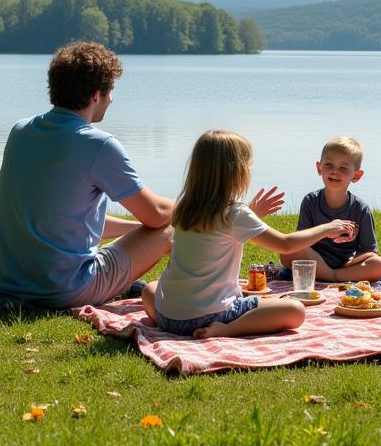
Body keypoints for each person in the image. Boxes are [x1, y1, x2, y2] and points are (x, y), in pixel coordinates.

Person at [0, 40, 282, 309]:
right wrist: (208, 206)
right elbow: (155, 215)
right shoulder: (97, 144)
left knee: (157, 228)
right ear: (95, 95)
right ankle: (195, 300)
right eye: (110, 91)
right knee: (168, 230)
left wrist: (134, 232)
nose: (112, 99)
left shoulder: (21, 131)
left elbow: (64, 220)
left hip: (8, 283)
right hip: (62, 290)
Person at [142, 130, 359, 338]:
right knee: (295, 310)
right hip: (211, 315)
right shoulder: (235, 213)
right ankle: (226, 330)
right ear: (236, 172)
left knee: (150, 289)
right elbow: (285, 244)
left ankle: (182, 323)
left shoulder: (185, 208)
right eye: (248, 165)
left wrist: (253, 214)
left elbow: (217, 236)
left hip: (168, 316)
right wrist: (328, 228)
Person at [281, 136, 381, 283]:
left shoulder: (360, 209)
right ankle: (332, 276)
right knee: (288, 251)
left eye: (343, 168)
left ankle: (332, 276)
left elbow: (369, 251)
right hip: (314, 260)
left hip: (345, 265)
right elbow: (301, 240)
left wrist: (350, 263)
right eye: (329, 165)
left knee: (380, 264)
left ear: (356, 175)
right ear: (319, 168)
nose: (334, 171)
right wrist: (325, 232)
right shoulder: (310, 201)